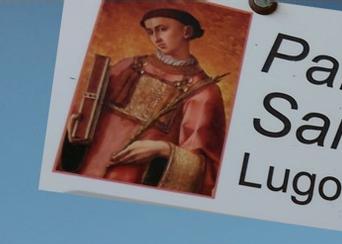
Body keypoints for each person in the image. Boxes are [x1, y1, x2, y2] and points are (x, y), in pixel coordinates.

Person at [59, 8, 227, 195]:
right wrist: (73, 129)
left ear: (186, 32)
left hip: (136, 185)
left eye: (162, 29)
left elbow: (204, 165)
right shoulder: (127, 66)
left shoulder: (203, 91)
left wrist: (162, 149)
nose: (156, 37)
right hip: (88, 169)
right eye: (150, 31)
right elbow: (85, 114)